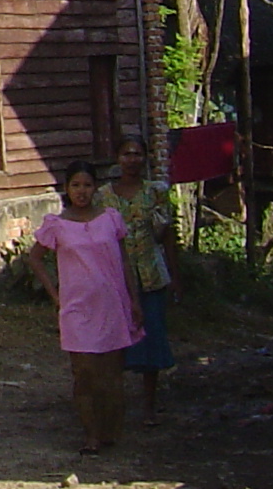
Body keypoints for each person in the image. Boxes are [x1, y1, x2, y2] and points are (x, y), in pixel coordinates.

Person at [28, 160, 144, 454]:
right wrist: (55, 295)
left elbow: (124, 260)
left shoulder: (110, 219)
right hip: (77, 308)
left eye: (87, 185)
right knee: (84, 373)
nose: (82, 192)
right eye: (76, 185)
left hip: (111, 304)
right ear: (67, 189)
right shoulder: (57, 224)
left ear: (96, 188)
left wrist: (133, 299)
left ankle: (111, 431)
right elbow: (36, 258)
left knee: (111, 375)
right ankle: (90, 435)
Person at [102, 132, 179, 424]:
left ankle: (149, 406)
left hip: (151, 274)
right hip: (116, 278)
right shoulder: (104, 196)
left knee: (152, 339)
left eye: (136, 154)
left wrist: (175, 275)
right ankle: (115, 406)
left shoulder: (156, 192)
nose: (131, 160)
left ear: (145, 158)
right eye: (126, 154)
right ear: (117, 159)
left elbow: (167, 235)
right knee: (115, 342)